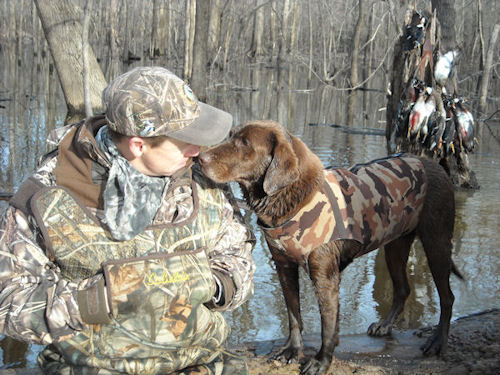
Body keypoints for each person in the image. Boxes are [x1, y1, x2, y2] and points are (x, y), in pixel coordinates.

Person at [0, 66, 255, 374]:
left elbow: (239, 261)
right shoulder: (47, 194)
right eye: (185, 141)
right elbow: (9, 305)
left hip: (199, 364)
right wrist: (99, 299)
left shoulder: (204, 181)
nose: (198, 151)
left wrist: (214, 284)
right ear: (138, 145)